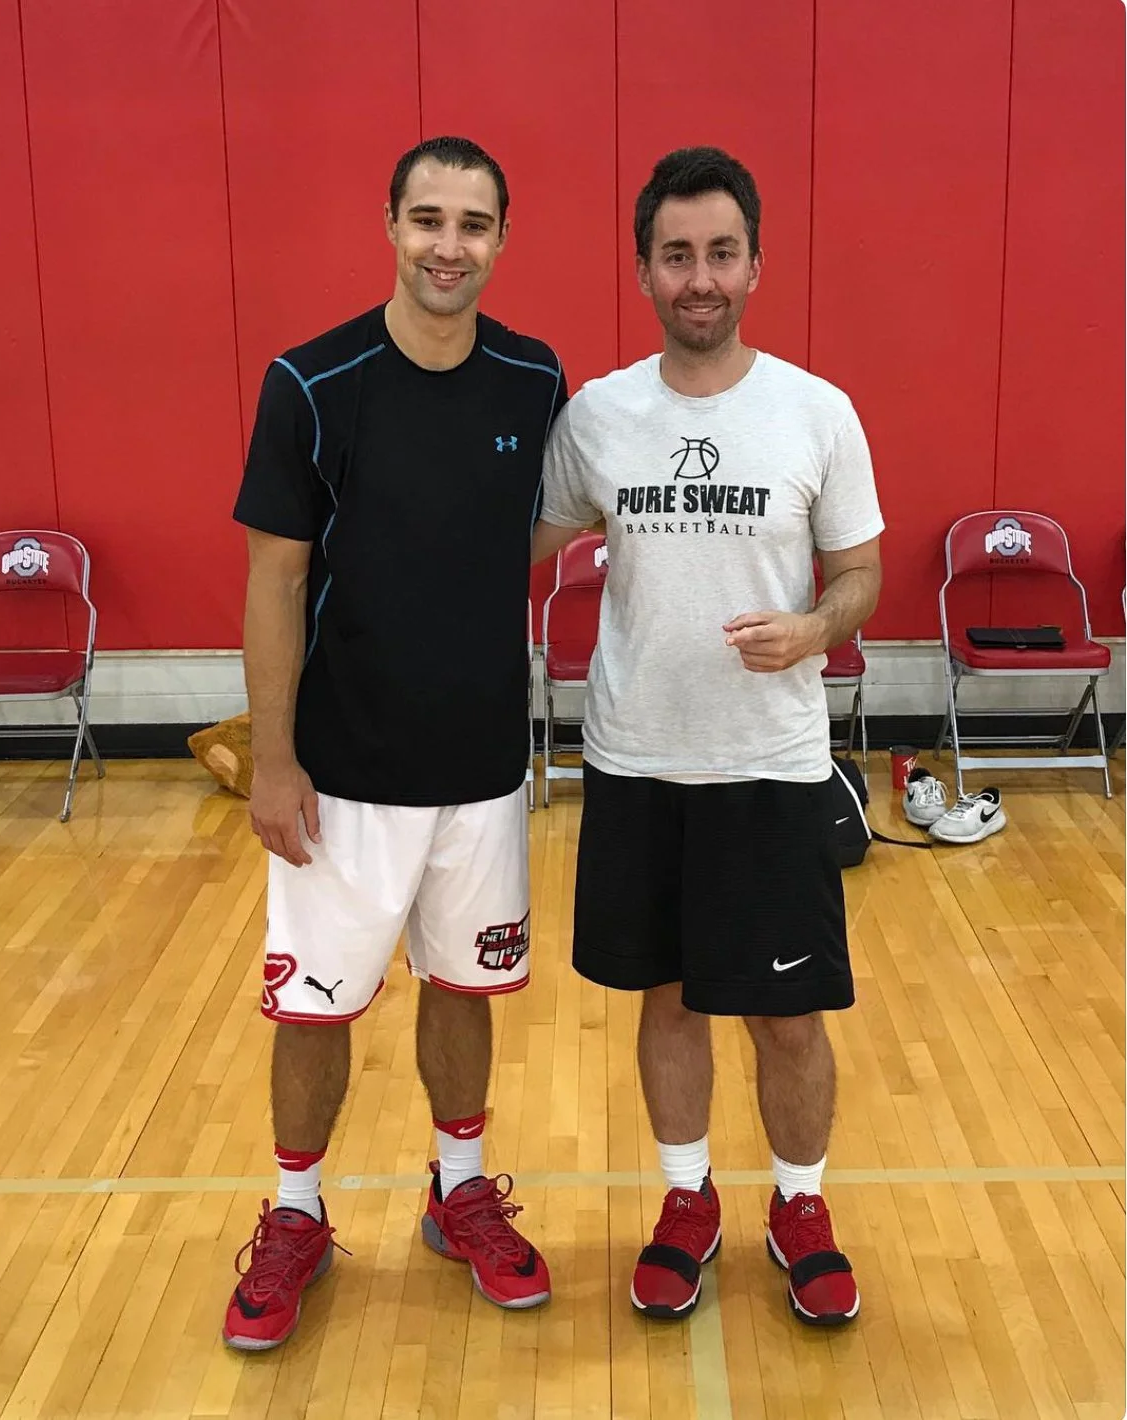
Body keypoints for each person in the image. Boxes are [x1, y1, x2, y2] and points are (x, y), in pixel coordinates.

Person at [225, 136, 566, 1350]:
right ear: (389, 223)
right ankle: (295, 1211)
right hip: (343, 771)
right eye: (427, 218)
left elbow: (528, 529)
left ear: (502, 240)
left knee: (464, 988)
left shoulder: (534, 377)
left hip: (480, 768)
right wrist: (274, 759)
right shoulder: (313, 382)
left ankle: (458, 1187)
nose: (448, 244)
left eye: (472, 224)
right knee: (315, 1005)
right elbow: (275, 579)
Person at [533, 147, 882, 1326]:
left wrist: (814, 626)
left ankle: (800, 1205)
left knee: (789, 1012)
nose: (699, 276)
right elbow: (516, 537)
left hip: (770, 769)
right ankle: (688, 1202)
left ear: (754, 264)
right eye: (675, 254)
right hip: (636, 759)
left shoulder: (814, 410)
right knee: (670, 998)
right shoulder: (597, 416)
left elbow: (862, 572)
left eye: (719, 252)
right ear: (643, 270)